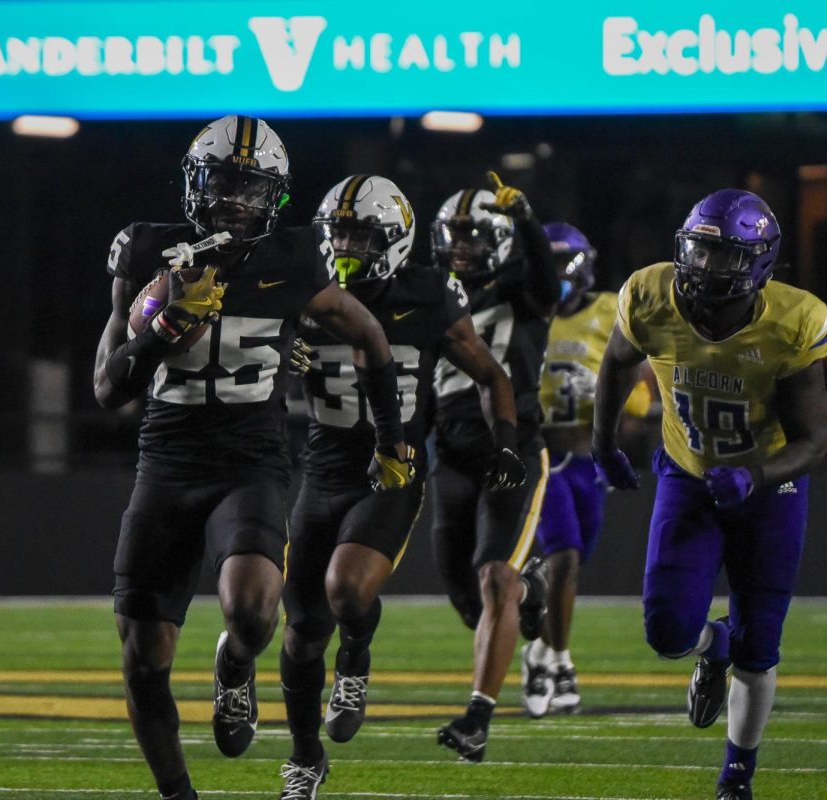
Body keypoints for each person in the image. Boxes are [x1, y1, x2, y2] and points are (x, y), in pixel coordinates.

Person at [92, 116, 415, 800]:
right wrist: (163, 330)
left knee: (254, 613)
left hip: (251, 464)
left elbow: (370, 334)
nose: (236, 201)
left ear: (276, 198)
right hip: (167, 465)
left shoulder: (294, 259)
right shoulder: (148, 251)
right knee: (143, 660)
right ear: (194, 184)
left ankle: (234, 666)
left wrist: (390, 438)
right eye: (224, 183)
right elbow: (108, 389)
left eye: (251, 187)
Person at [278, 175, 525, 798]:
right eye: (337, 231)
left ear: (393, 238)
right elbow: (273, 366)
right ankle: (306, 758)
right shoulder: (307, 289)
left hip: (391, 468)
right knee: (302, 631)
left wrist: (506, 444)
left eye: (360, 233)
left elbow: (493, 376)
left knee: (346, 589)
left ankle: (356, 654)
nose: (344, 244)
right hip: (324, 468)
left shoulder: (428, 297)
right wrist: (289, 356)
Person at [593, 188, 827, 800]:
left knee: (761, 644)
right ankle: (710, 642)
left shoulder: (793, 320)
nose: (704, 268)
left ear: (758, 261)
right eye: (698, 251)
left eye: (723, 257)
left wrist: (756, 476)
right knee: (668, 631)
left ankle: (736, 775)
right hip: (689, 475)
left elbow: (814, 441)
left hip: (769, 489)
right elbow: (617, 363)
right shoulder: (649, 294)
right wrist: (603, 442)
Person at [428, 172, 557, 762]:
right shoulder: (434, 296)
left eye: (475, 235)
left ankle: (478, 717)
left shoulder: (522, 292)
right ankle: (531, 592)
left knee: (492, 577)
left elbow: (547, 283)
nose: (461, 246)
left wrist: (528, 221)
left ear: (501, 241)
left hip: (514, 448)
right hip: (450, 456)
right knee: (464, 595)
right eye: (455, 235)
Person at [521, 222, 654, 717]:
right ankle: (560, 661)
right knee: (566, 558)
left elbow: (641, 389)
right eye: (546, 261)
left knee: (572, 561)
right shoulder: (527, 312)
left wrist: (608, 399)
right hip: (544, 451)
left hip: (590, 456)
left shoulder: (607, 310)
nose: (554, 272)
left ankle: (538, 651)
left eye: (561, 261)